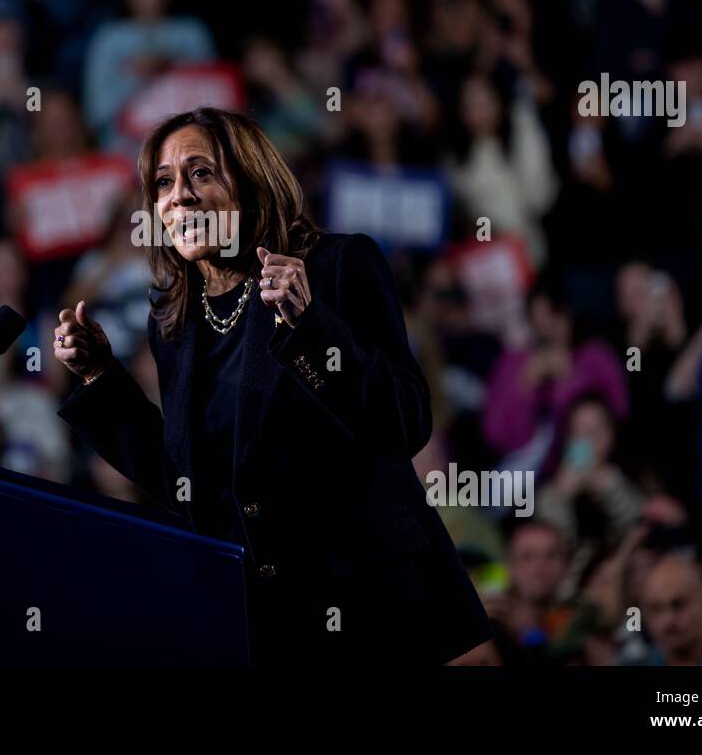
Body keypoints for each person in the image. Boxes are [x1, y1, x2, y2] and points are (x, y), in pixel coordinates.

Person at [51, 106, 490, 664]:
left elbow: (402, 423)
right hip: (267, 626)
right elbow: (187, 487)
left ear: (251, 177)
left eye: (201, 173)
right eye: (163, 182)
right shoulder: (176, 323)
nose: (178, 195)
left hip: (372, 609)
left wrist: (310, 326)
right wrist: (100, 379)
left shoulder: (337, 267)